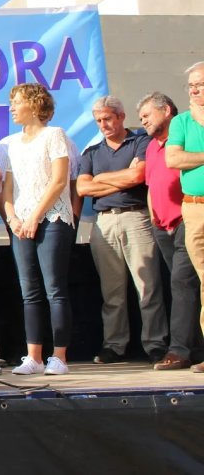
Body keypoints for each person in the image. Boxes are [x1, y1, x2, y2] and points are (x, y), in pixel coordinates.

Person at [78, 95, 167, 366]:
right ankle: (114, 345)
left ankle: (155, 344)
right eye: (98, 121)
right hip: (104, 221)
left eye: (107, 119)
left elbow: (138, 176)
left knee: (148, 287)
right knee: (112, 291)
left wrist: (101, 180)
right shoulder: (92, 152)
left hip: (136, 217)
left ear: (120, 116)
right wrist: (118, 180)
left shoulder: (140, 141)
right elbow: (83, 188)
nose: (103, 125)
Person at [3, 83, 77, 375]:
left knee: (55, 289)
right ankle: (33, 356)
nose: (12, 108)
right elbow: (6, 189)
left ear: (34, 105)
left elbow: (59, 181)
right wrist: (13, 218)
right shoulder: (10, 143)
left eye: (17, 102)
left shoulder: (54, 135)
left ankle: (59, 357)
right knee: (29, 291)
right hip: (21, 223)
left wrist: (35, 215)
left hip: (52, 219)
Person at [139, 92, 203, 370]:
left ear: (166, 111)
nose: (142, 122)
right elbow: (152, 184)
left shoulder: (185, 137)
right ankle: (196, 349)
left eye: (146, 116)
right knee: (180, 287)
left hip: (184, 220)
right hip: (161, 226)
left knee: (182, 284)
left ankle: (179, 351)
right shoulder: (151, 146)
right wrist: (154, 214)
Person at [164, 62, 204, 373]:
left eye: (200, 84)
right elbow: (173, 158)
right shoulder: (181, 122)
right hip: (196, 209)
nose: (194, 89)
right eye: (191, 84)